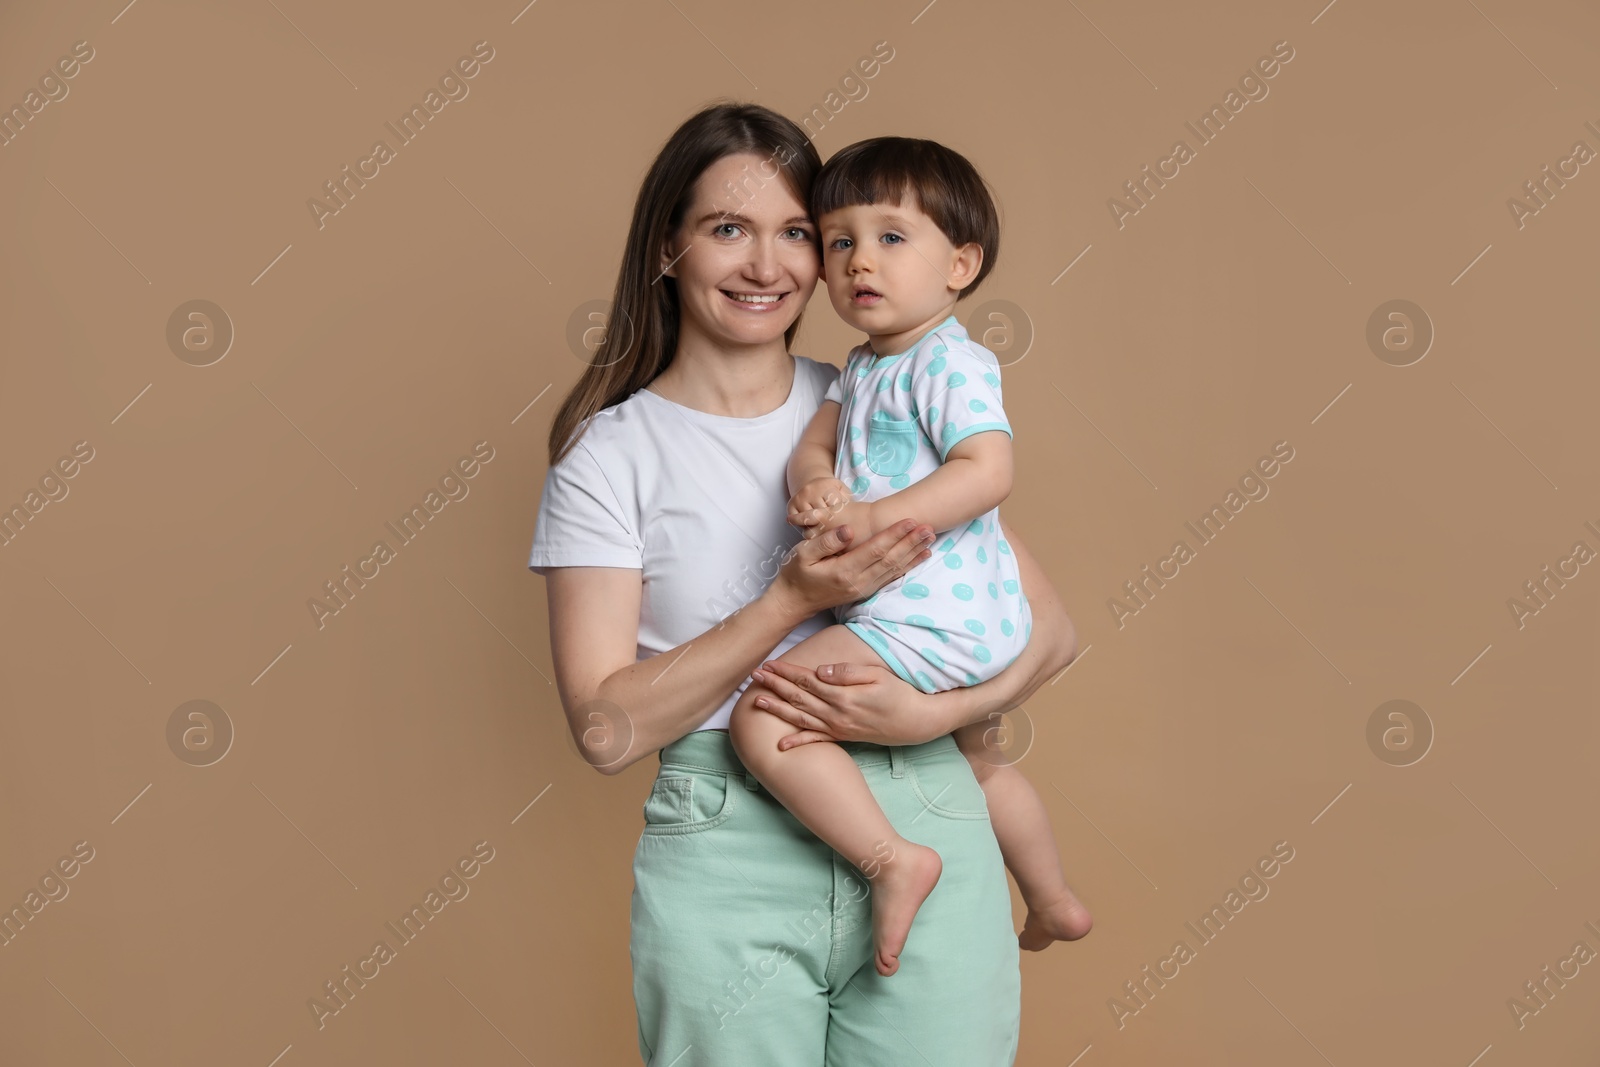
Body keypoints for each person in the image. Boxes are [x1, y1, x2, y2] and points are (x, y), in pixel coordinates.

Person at [527, 102, 1079, 1066]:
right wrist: (788, 601)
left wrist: (927, 721)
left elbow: (1051, 630)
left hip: (930, 813)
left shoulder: (876, 399)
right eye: (728, 228)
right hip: (730, 844)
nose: (767, 266)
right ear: (670, 244)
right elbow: (605, 729)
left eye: (796, 235)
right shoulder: (609, 457)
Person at [726, 136, 1092, 982]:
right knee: (980, 761)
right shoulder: (860, 368)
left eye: (892, 238)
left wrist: (872, 521)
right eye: (841, 239)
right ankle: (1050, 895)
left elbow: (989, 469)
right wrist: (817, 485)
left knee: (764, 716)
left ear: (960, 264)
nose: (861, 261)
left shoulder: (949, 360)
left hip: (932, 612)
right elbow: (814, 449)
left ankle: (894, 858)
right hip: (950, 612)